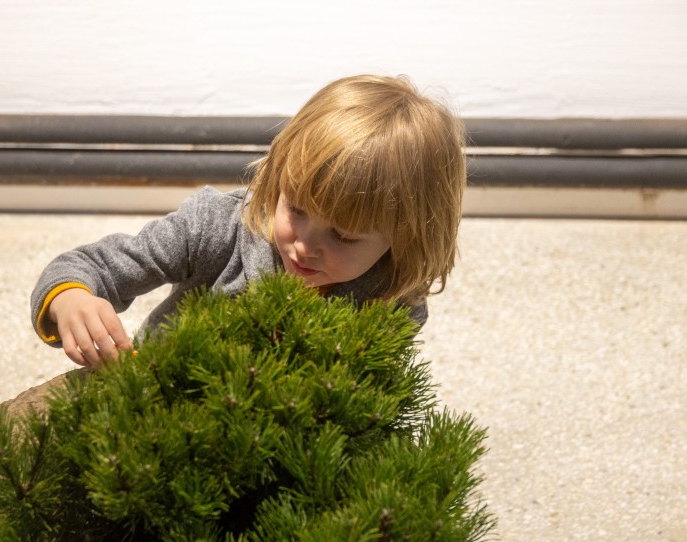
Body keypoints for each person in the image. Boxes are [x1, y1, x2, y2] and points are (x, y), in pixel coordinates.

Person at [31, 74, 466, 368]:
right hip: (163, 409)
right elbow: (88, 266)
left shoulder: (392, 300)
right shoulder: (216, 228)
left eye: (344, 235)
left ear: (408, 239)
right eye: (295, 209)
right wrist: (71, 300)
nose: (304, 245)